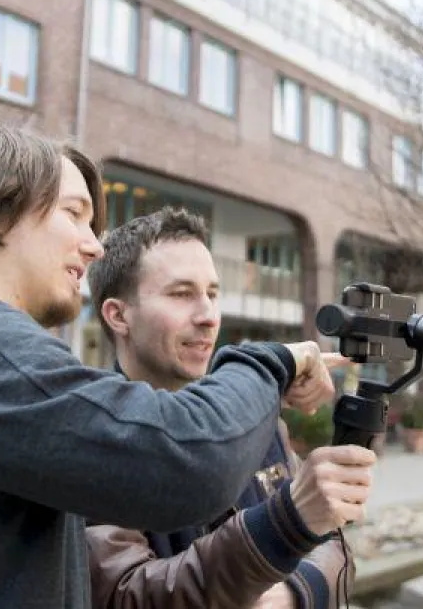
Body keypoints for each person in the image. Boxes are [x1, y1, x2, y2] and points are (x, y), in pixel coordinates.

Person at [0, 125, 340, 609]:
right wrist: (272, 361)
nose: (95, 246)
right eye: (74, 213)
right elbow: (188, 461)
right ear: (0, 214)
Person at [85, 208, 378, 609]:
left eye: (213, 293)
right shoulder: (92, 435)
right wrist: (283, 527)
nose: (208, 316)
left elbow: (333, 547)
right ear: (118, 315)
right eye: (181, 293)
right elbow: (126, 595)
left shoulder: (258, 417)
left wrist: (295, 594)